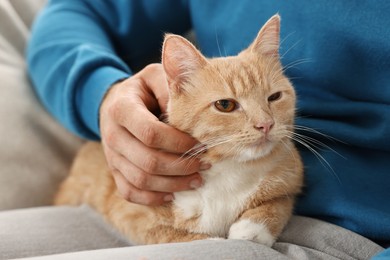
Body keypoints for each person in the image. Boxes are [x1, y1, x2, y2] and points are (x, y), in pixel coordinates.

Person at [26, 0, 389, 258]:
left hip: (349, 230)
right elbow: (80, 10)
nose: (263, 122)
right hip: (116, 211)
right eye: (229, 105)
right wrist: (102, 93)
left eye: (275, 97)